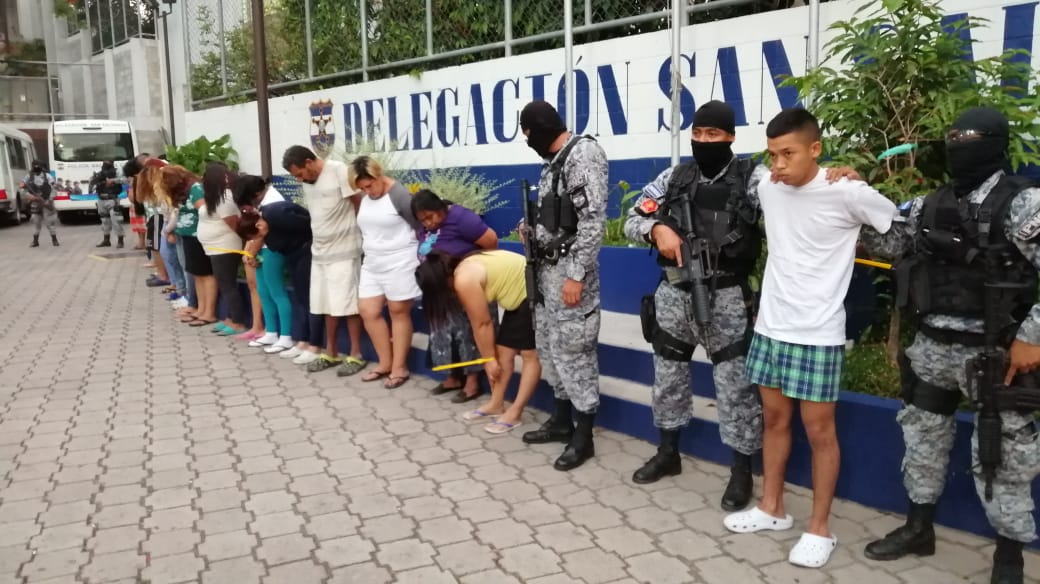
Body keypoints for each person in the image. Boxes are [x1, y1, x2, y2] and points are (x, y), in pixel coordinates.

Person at [860, 107, 1040, 584]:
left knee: (1004, 456)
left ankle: (1009, 558)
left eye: (970, 138)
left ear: (995, 143)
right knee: (922, 438)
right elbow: (889, 242)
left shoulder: (1024, 204)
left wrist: (1031, 338)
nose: (959, 146)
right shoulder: (929, 203)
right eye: (954, 138)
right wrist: (852, 197)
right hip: (933, 347)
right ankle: (919, 528)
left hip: (996, 352)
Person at [722, 108, 896, 569]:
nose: (779, 165)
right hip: (770, 327)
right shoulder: (768, 186)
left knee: (820, 433)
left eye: (789, 154)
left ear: (815, 149)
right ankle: (772, 507)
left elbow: (894, 221)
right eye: (773, 155)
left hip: (818, 334)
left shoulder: (847, 192)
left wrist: (856, 176)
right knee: (774, 421)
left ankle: (820, 528)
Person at [623, 101, 767, 501]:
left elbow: (793, 207)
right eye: (698, 133)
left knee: (736, 388)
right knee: (668, 377)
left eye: (713, 134)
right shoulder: (674, 177)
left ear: (731, 136)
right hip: (674, 293)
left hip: (726, 297)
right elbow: (632, 219)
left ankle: (742, 471)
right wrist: (656, 230)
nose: (703, 141)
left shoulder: (754, 178)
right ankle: (668, 452)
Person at [517, 100, 607, 471]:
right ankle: (560, 420)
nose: (528, 141)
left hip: (569, 276)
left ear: (540, 129)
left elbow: (592, 222)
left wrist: (576, 275)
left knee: (574, 350)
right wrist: (532, 230)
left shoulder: (581, 154)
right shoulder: (552, 162)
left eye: (528, 134)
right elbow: (560, 216)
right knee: (550, 347)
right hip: (546, 274)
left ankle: (583, 436)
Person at [416, 250, 541, 434]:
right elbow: (479, 325)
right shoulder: (461, 268)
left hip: (533, 290)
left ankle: (515, 413)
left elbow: (483, 324)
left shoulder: (463, 280)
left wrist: (488, 360)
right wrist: (489, 358)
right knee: (503, 352)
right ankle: (496, 405)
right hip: (517, 293)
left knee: (529, 355)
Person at [282, 145, 367, 373]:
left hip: (344, 251)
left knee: (348, 304)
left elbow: (358, 202)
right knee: (325, 304)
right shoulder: (308, 182)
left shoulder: (339, 171)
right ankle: (331, 352)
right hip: (319, 253)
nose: (299, 179)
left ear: (309, 162)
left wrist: (359, 235)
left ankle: (356, 355)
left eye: (300, 173)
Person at [413, 189, 498, 402]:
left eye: (430, 217)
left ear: (440, 208)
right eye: (422, 221)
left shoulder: (461, 218)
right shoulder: (426, 226)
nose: (428, 223)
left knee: (468, 332)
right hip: (441, 288)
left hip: (466, 284)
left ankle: (472, 382)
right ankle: (453, 376)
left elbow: (491, 242)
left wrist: (469, 269)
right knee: (443, 331)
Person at [350, 155, 422, 389]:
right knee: (368, 310)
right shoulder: (366, 197)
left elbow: (420, 226)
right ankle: (385, 362)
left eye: (369, 185)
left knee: (398, 310)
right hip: (373, 261)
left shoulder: (399, 195)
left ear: (378, 175)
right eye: (362, 188)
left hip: (401, 259)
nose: (367, 191)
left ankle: (399, 367)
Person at [257, 200, 327, 365]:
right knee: (300, 299)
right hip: (294, 254)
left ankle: (315, 345)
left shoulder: (276, 214)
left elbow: (309, 225)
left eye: (259, 233)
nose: (261, 237)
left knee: (309, 300)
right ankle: (303, 341)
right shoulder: (270, 225)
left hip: (306, 252)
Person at [234, 175, 295, 353]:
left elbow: (263, 233)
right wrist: (251, 252)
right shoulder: (262, 200)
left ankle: (286, 336)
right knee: (263, 291)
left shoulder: (272, 201)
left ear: (256, 193)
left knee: (277, 292)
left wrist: (251, 252)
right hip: (262, 250)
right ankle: (271, 331)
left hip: (273, 249)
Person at [198, 163, 247, 336]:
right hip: (215, 247)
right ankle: (230, 317)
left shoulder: (225, 198)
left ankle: (238, 322)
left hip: (225, 246)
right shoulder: (214, 196)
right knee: (224, 283)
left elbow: (233, 224)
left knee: (227, 284)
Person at [90, 160, 125, 248]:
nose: (106, 164)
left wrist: (113, 180)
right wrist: (95, 180)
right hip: (101, 200)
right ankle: (106, 240)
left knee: (116, 220)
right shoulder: (99, 174)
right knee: (105, 221)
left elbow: (124, 180)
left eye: (108, 162)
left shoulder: (117, 172)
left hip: (112, 199)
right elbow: (92, 185)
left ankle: (120, 241)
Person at [23, 160, 58, 248]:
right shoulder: (28, 176)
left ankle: (54, 240)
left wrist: (50, 199)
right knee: (36, 222)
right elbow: (23, 189)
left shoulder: (48, 176)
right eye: (34, 165)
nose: (36, 167)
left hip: (46, 202)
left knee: (49, 223)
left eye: (38, 165)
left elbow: (54, 188)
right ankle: (35, 241)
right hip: (35, 203)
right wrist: (30, 196)